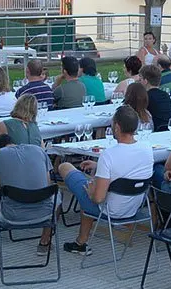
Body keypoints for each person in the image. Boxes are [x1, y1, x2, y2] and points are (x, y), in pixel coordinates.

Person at [58, 106, 154, 255]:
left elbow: (97, 198)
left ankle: (80, 242)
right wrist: (99, 167)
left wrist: (91, 192)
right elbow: (130, 169)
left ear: (116, 127)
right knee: (92, 184)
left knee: (65, 167)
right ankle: (80, 241)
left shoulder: (109, 154)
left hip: (110, 210)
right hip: (134, 208)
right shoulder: (147, 148)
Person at [0, 135, 56, 259]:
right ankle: (45, 242)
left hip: (11, 215)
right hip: (45, 212)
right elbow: (47, 184)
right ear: (13, 142)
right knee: (57, 196)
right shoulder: (38, 150)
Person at [139, 64, 171, 132]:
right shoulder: (165, 95)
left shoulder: (146, 96)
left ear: (145, 81)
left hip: (155, 130)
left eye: (140, 79)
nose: (138, 81)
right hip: (169, 129)